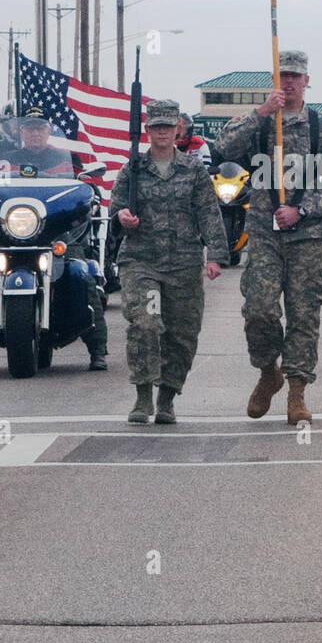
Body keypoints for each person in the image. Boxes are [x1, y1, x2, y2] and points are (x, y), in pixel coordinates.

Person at [213, 50, 322, 425]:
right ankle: (269, 371)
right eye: (282, 75)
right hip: (266, 235)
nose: (288, 82)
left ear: (306, 81)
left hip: (309, 236)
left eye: (295, 76)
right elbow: (223, 148)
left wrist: (301, 210)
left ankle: (297, 391)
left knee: (304, 315)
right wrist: (261, 113)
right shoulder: (261, 125)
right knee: (259, 309)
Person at [109, 97, 228, 424]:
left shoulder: (192, 169)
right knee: (146, 323)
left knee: (181, 332)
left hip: (184, 263)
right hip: (141, 262)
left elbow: (209, 213)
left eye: (168, 126)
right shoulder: (133, 168)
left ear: (177, 128)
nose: (162, 132)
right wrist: (123, 216)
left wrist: (216, 255)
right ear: (146, 130)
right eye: (156, 127)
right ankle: (143, 394)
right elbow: (114, 209)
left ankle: (167, 397)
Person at [0, 110, 107, 372]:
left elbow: (83, 187)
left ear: (48, 132)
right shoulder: (6, 160)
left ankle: (97, 349)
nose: (35, 133)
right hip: (11, 232)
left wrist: (88, 193)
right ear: (21, 132)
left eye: (40, 128)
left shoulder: (65, 159)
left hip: (56, 231)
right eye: (30, 128)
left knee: (82, 274)